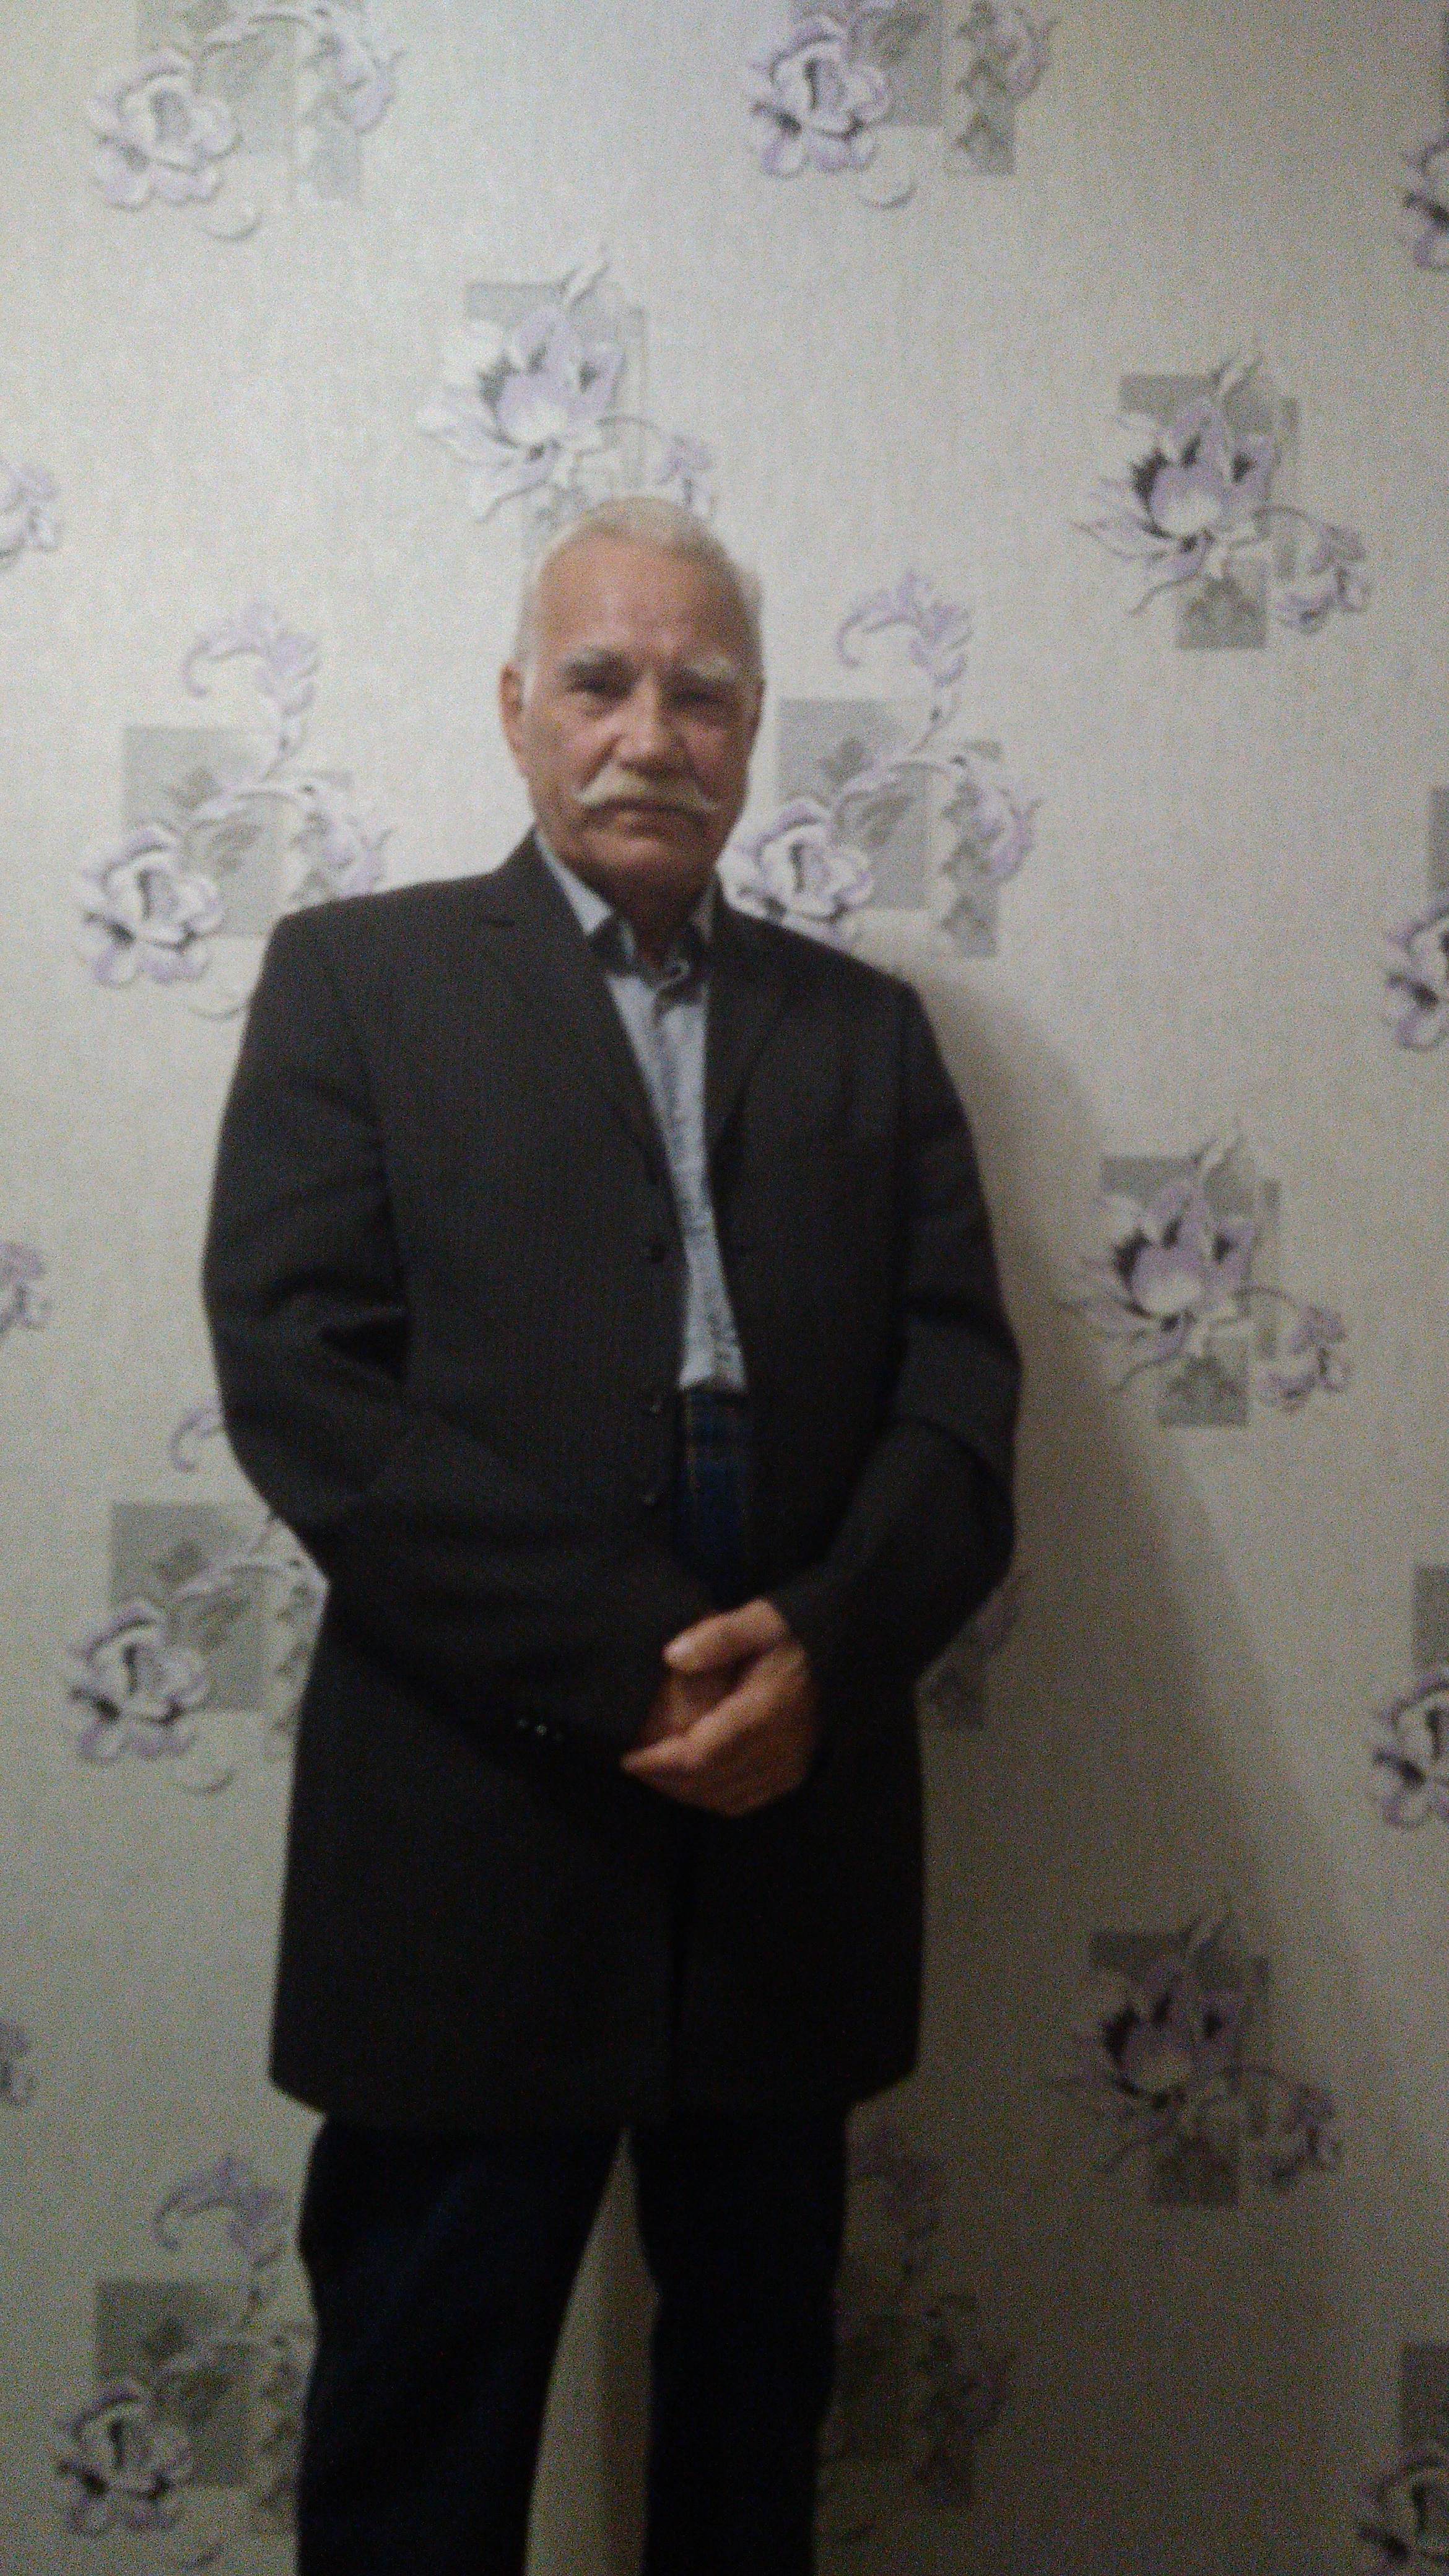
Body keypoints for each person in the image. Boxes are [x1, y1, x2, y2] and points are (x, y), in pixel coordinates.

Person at [202, 495, 1020, 2576]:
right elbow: (302, 1376)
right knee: (419, 2431)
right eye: (600, 682)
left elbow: (958, 1407)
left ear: (749, 733)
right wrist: (630, 1665)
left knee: (751, 2441)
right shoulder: (352, 981)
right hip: (468, 1816)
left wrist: (820, 1656)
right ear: (516, 710)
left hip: (792, 1820)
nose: (650, 733)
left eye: (701, 693)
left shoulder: (871, 1035)